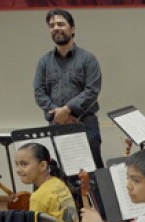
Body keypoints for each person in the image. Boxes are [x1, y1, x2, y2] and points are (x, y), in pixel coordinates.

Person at [34, 9, 104, 168]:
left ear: (72, 29)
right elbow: (39, 92)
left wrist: (68, 110)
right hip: (56, 125)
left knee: (92, 174)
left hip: (85, 125)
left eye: (60, 24)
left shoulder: (88, 59)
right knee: (60, 174)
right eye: (51, 25)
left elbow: (92, 90)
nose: (55, 28)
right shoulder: (44, 62)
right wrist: (58, 113)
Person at [16, 142, 79, 222]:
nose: (18, 170)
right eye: (17, 164)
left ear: (43, 165)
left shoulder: (38, 197)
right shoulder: (59, 183)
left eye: (24, 164)